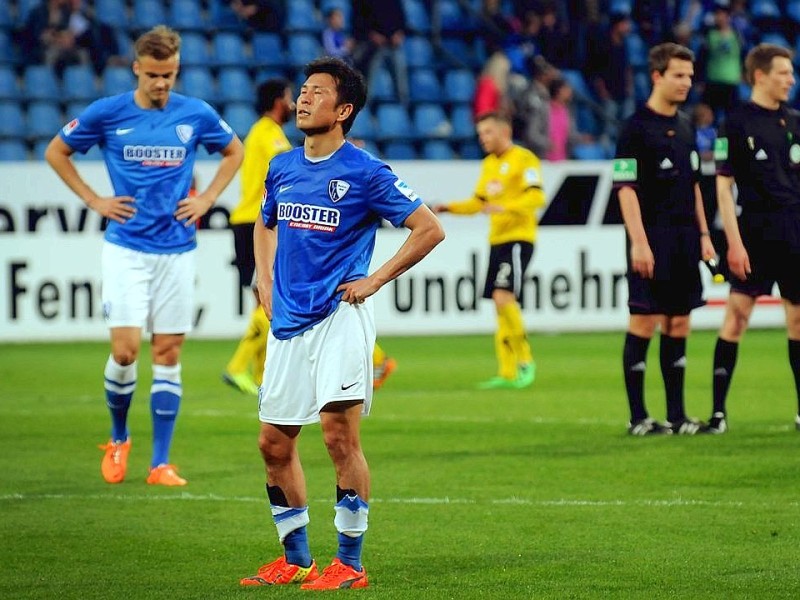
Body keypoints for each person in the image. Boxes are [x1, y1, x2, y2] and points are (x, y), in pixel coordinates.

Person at [239, 57, 444, 589]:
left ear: (344, 109)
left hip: (339, 319)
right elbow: (264, 225)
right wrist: (263, 277)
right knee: (273, 445)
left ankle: (349, 565)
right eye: (302, 91)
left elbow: (428, 229)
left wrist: (374, 280)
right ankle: (295, 558)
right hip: (287, 322)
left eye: (316, 93)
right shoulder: (282, 167)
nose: (303, 99)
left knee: (337, 438)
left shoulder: (365, 171)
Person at [44, 25, 244, 485]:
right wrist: (95, 201)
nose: (162, 84)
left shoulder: (194, 113)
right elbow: (57, 152)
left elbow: (234, 151)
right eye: (154, 75)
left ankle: (160, 463)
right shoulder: (108, 113)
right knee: (127, 350)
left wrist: (208, 197)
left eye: (169, 74)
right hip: (128, 248)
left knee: (169, 351)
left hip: (177, 249)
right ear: (137, 68)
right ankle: (118, 437)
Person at [613, 42, 716, 436]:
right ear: (657, 76)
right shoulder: (634, 128)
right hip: (650, 239)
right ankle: (638, 417)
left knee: (679, 323)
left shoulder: (688, 126)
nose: (686, 83)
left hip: (685, 240)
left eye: (689, 76)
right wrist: (638, 241)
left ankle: (677, 416)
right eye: (678, 75)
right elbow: (626, 189)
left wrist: (705, 234)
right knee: (644, 320)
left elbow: (693, 188)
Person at [701, 44, 800, 434]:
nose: (791, 80)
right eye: (784, 73)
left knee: (797, 319)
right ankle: (718, 413)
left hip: (794, 229)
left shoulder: (795, 120)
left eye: (791, 73)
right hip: (755, 232)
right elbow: (724, 188)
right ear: (760, 76)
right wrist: (735, 243)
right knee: (737, 316)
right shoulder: (737, 122)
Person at [432, 112, 542, 390]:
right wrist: (448, 208)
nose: (483, 138)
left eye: (488, 133)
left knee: (504, 296)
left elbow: (537, 196)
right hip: (497, 240)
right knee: (498, 302)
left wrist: (507, 207)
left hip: (519, 238)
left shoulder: (524, 159)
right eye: (481, 134)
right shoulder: (489, 165)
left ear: (504, 132)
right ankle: (506, 371)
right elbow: (478, 203)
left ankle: (526, 361)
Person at [223, 78, 294, 396]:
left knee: (264, 300)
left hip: (250, 221)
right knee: (270, 296)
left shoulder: (261, 132)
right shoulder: (269, 134)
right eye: (291, 98)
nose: (294, 104)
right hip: (258, 224)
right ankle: (236, 368)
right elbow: (294, 169)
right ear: (278, 102)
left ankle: (261, 376)